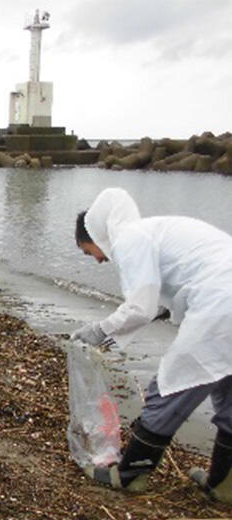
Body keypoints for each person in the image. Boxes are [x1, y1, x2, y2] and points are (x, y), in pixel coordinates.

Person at [73, 187, 232, 502]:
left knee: (170, 387)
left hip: (222, 305)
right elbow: (161, 297)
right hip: (223, 298)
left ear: (95, 233)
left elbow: (140, 307)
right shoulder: (153, 230)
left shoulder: (129, 239)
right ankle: (224, 485)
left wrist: (98, 330)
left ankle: (130, 475)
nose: (96, 260)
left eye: (87, 250)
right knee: (229, 394)